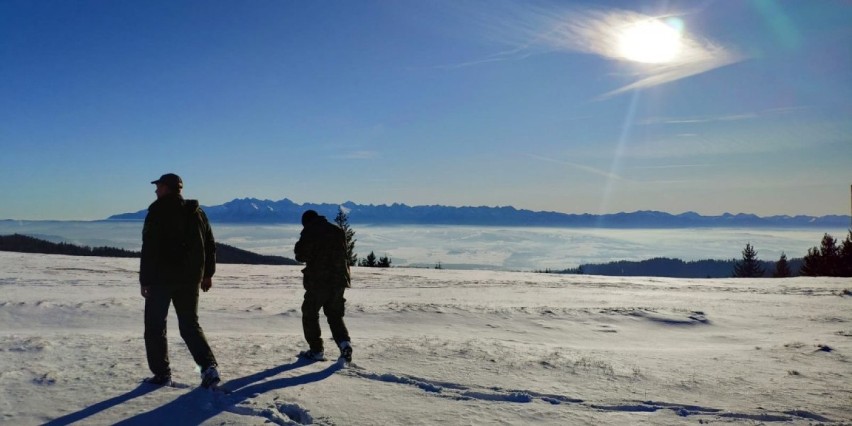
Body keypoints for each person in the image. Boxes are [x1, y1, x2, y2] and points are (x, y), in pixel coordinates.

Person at [139, 173, 221, 388]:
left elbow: (149, 248)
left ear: (167, 188)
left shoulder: (157, 212)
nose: (156, 191)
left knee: (155, 327)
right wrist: (207, 274)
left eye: (158, 186)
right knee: (189, 325)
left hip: (161, 280)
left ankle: (162, 374)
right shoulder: (197, 212)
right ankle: (209, 368)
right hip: (189, 280)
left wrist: (145, 280)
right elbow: (210, 245)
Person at [294, 209, 353, 362]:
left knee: (310, 313)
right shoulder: (337, 230)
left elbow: (300, 255)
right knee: (335, 315)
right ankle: (344, 344)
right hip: (339, 280)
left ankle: (316, 350)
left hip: (319, 281)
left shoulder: (310, 231)